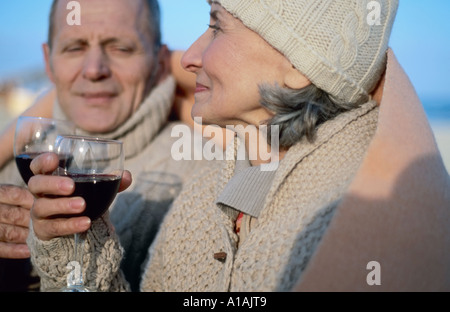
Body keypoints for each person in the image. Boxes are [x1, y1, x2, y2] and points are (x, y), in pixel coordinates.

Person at [27, 0, 450, 292]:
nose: (190, 57)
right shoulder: (212, 186)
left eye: (216, 25)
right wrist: (72, 242)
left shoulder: (362, 217)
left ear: (298, 66)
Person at [0, 0, 211, 292]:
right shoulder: (12, 168)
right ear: (49, 62)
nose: (94, 69)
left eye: (121, 48)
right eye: (74, 48)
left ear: (160, 63)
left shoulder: (205, 175)